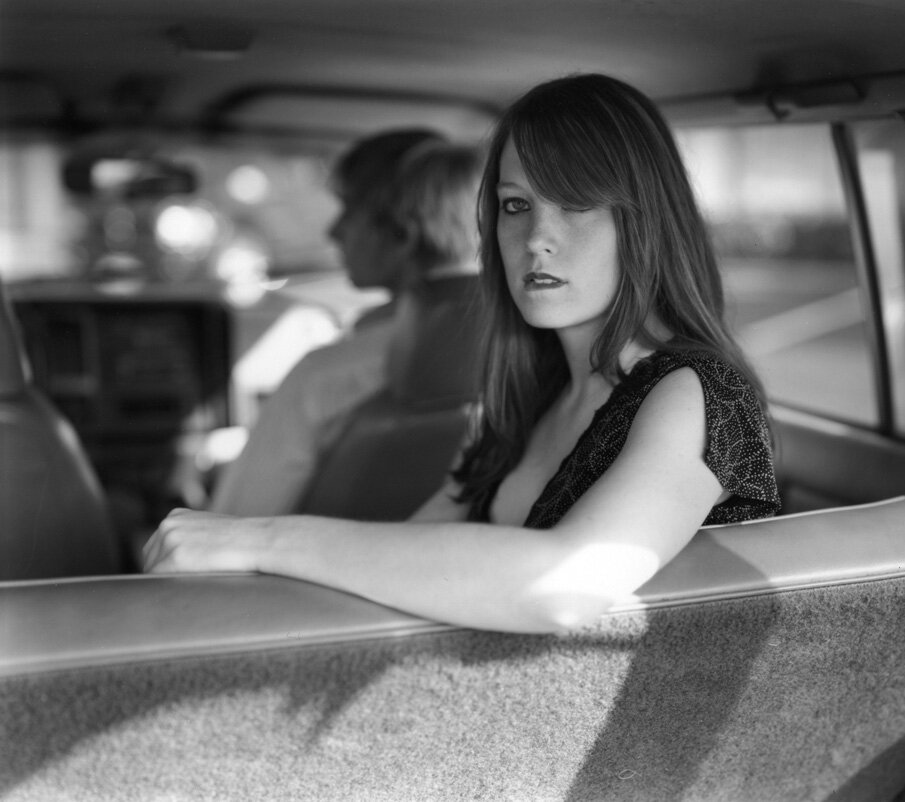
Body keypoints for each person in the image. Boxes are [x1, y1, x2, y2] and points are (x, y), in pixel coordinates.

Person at [145, 74, 780, 634]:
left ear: (646, 220)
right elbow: (416, 548)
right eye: (515, 205)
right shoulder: (528, 397)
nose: (537, 239)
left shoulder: (700, 394)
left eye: (578, 204)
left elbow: (563, 587)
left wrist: (259, 538)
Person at [208, 128, 452, 516]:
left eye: (349, 209)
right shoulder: (534, 363)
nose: (333, 231)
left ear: (402, 231)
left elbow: (230, 527)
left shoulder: (324, 378)